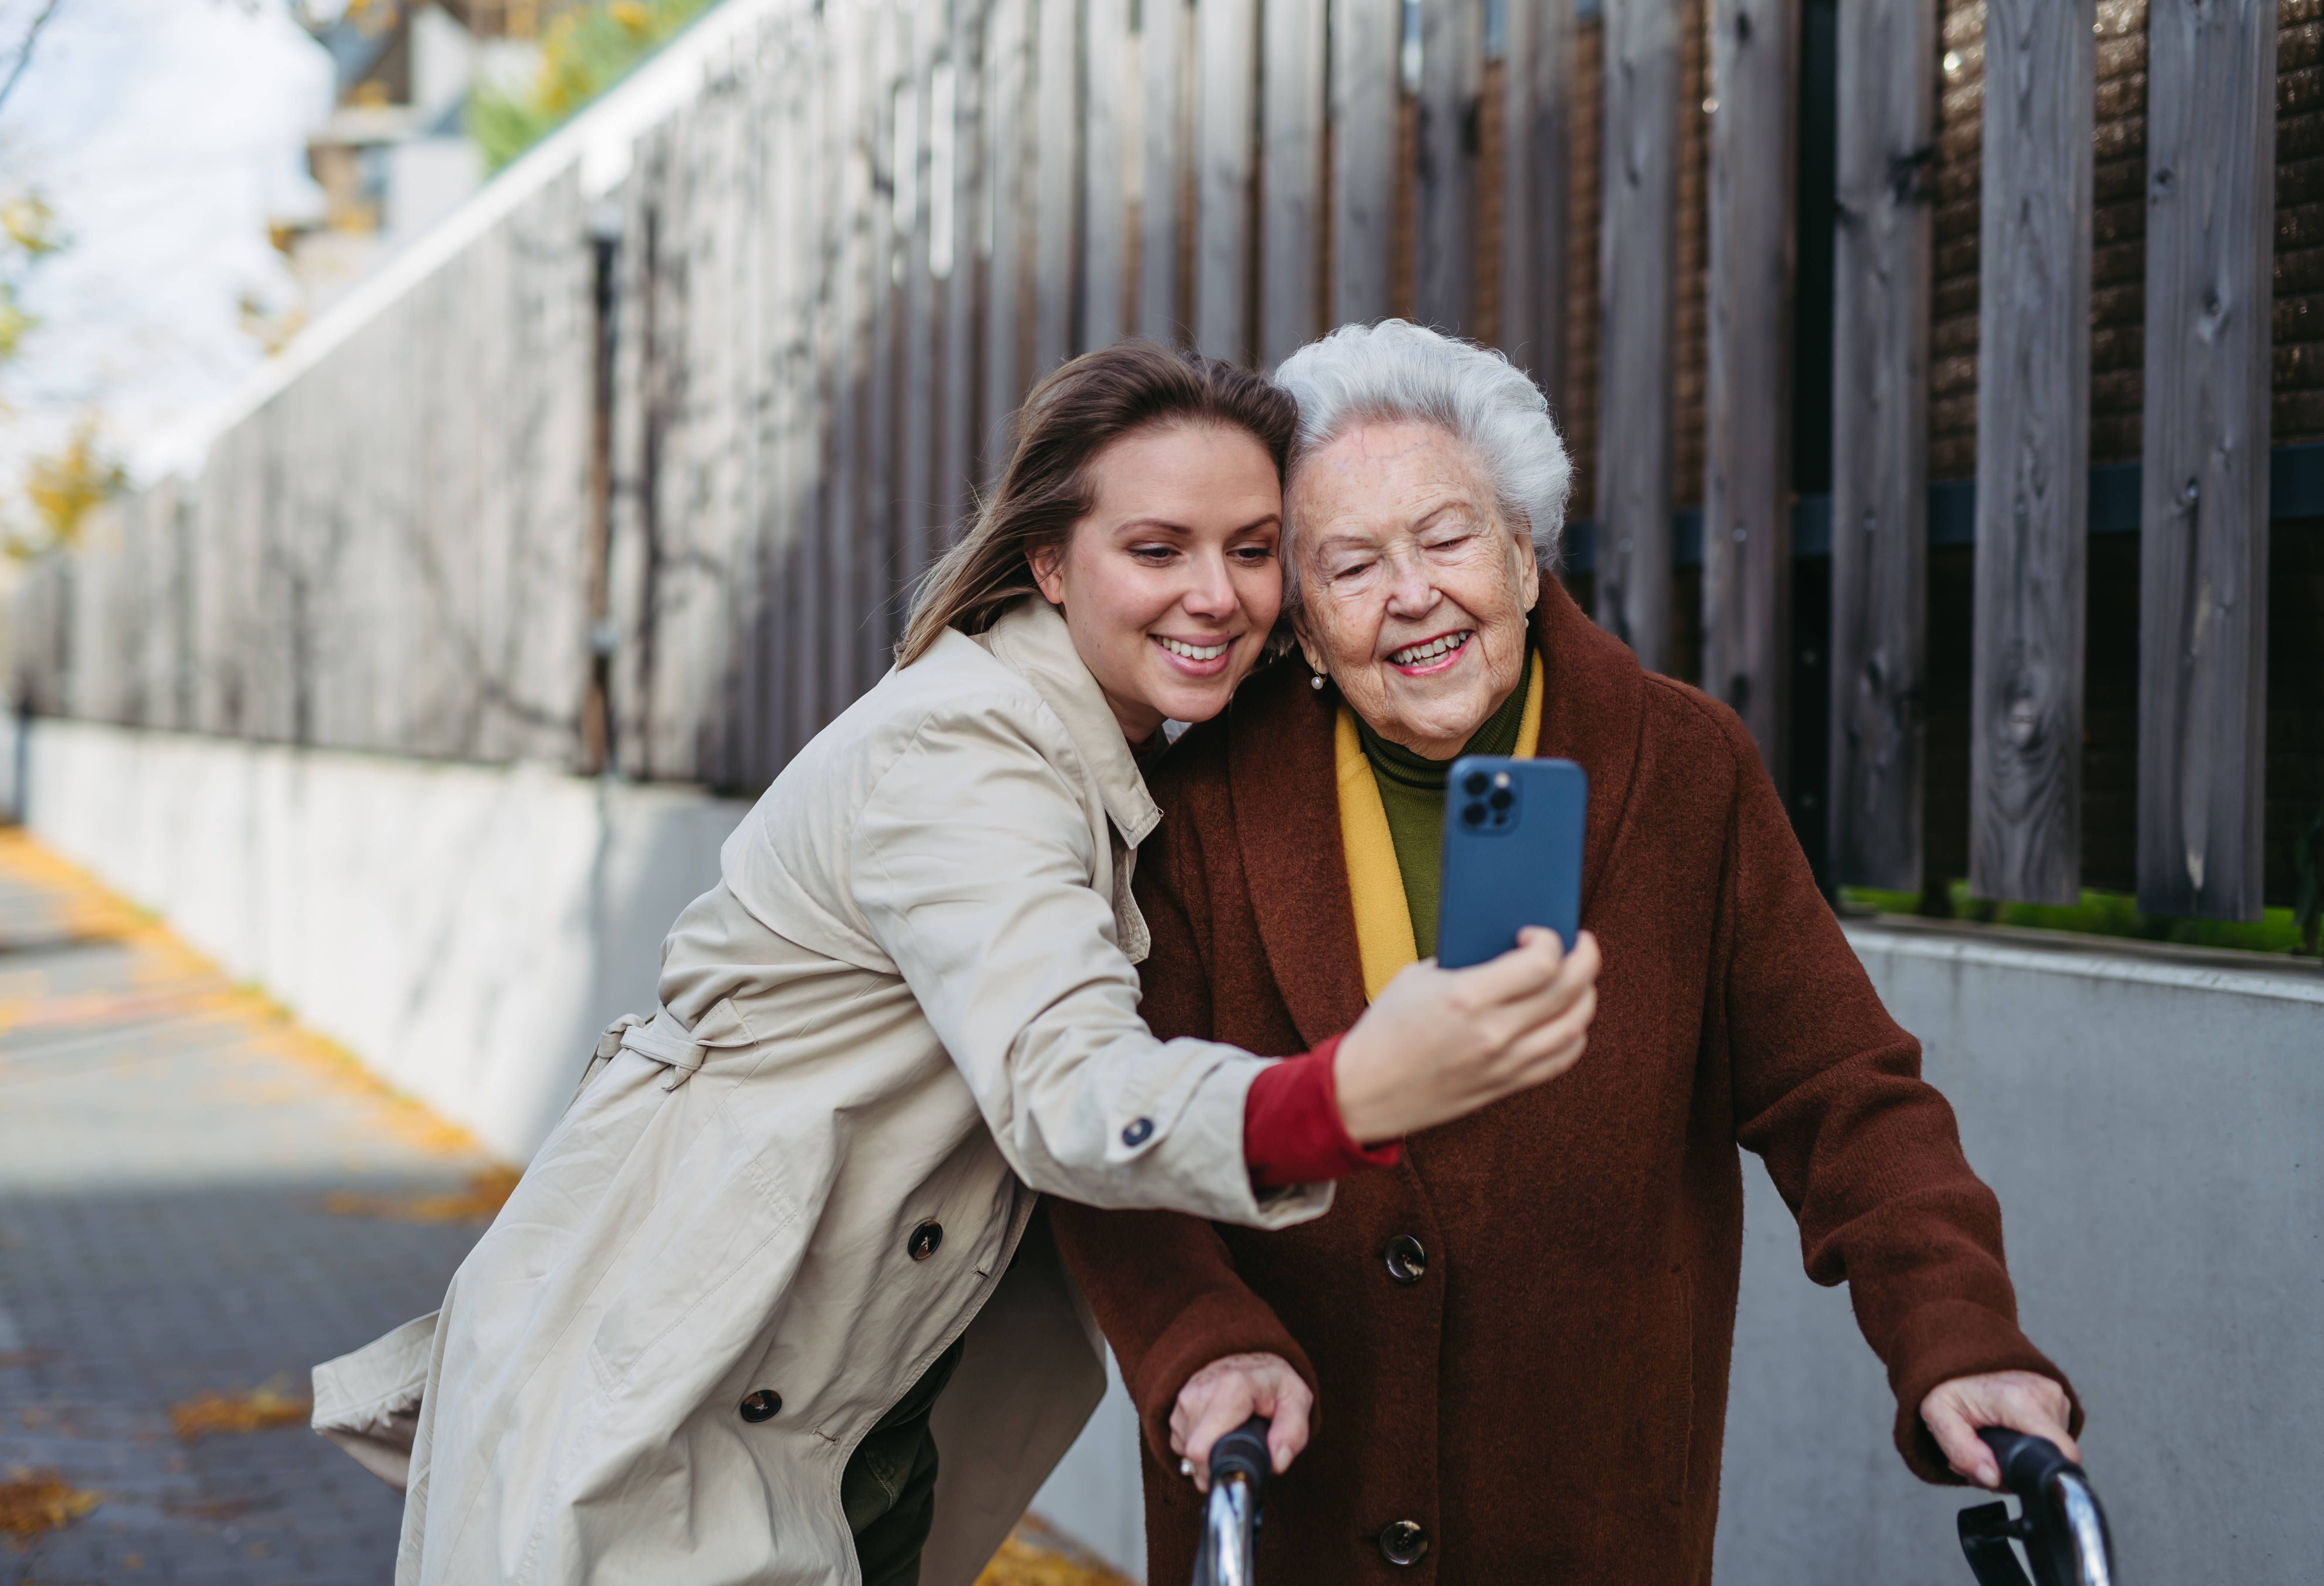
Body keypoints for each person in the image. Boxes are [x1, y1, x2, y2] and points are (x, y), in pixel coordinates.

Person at [309, 340, 1599, 1586]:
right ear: (1047, 562)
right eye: (1157, 549)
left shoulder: (1118, 743)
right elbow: (1064, 1085)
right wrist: (1345, 1098)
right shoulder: (967, 758)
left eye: (1254, 551)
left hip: (831, 1419)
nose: (1218, 593)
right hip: (669, 1417)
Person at [1050, 321, 2083, 1584]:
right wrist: (1200, 1343)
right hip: (1293, 1501)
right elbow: (1121, 1138)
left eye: (1447, 537)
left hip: (1596, 1512)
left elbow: (1842, 1090)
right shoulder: (1200, 805)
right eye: (1352, 564)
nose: (1412, 594)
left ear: (1526, 560)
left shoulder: (1685, 769)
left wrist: (1959, 1332)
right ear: (1304, 630)